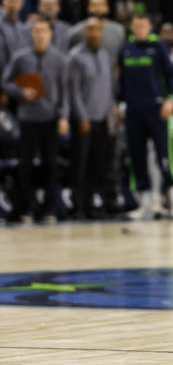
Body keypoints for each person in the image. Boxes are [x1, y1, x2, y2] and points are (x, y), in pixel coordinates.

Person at [119, 12, 173, 221]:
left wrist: (171, 99)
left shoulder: (159, 47)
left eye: (143, 25)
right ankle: (145, 204)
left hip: (157, 110)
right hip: (133, 111)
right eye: (136, 26)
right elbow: (121, 81)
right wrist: (117, 103)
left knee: (164, 157)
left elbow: (172, 75)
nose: (139, 29)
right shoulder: (126, 49)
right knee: (137, 158)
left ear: (149, 27)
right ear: (132, 28)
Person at [1, 18, 69, 222]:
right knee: (25, 165)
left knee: (50, 165)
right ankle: (27, 208)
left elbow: (66, 91)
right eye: (36, 31)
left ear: (50, 34)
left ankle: (49, 209)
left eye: (44, 31)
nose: (40, 35)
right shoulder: (21, 57)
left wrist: (64, 116)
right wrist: (21, 91)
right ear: (32, 34)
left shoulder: (59, 59)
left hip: (50, 119)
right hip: (28, 119)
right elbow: (5, 82)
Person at [67, 18, 114, 219]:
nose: (94, 33)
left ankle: (96, 205)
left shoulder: (105, 55)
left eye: (97, 30)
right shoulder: (75, 56)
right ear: (85, 32)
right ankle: (79, 207)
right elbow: (73, 90)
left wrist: (110, 115)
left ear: (102, 32)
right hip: (83, 120)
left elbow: (109, 89)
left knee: (99, 165)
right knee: (80, 165)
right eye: (90, 30)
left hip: (102, 119)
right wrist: (82, 116)